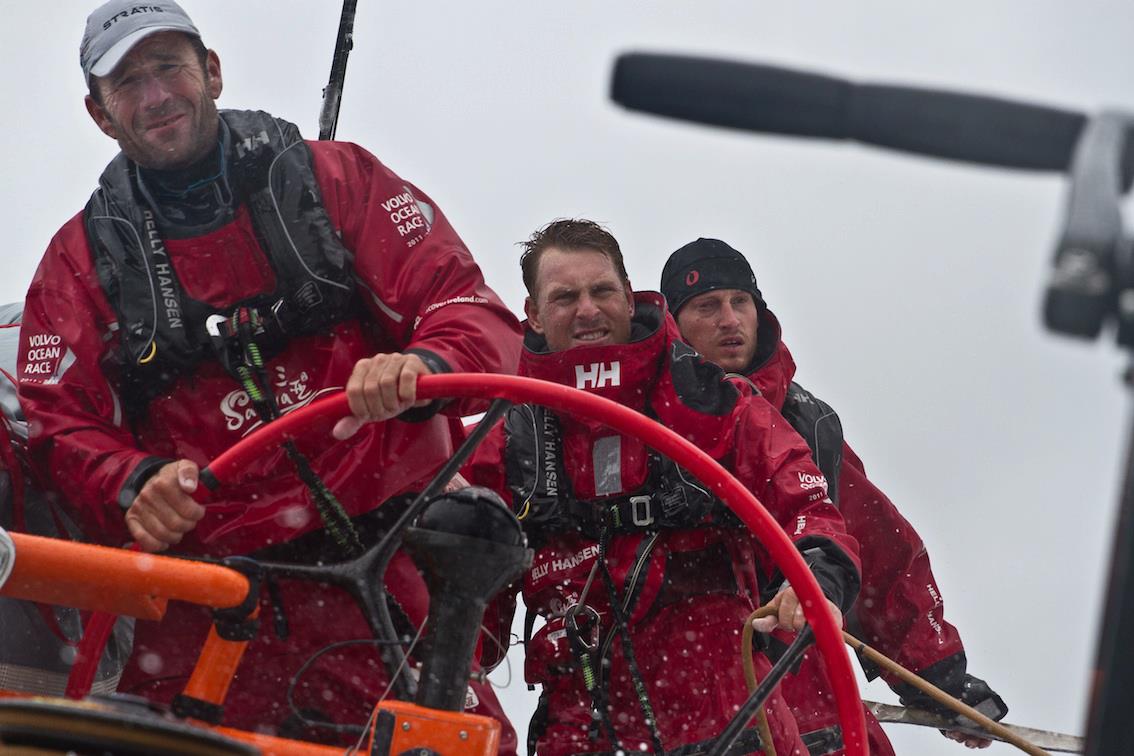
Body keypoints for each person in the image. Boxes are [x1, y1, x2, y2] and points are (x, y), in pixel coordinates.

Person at [16, 0, 522, 748]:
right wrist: (131, 482)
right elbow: (55, 425)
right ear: (100, 114)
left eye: (168, 67)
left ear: (211, 71)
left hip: (387, 581)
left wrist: (421, 367)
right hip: (206, 606)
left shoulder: (340, 180)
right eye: (127, 82)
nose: (154, 95)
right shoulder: (76, 262)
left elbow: (467, 307)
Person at [468, 218, 862, 756]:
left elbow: (804, 497)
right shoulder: (506, 440)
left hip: (729, 719)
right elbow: (462, 613)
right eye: (565, 297)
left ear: (630, 299)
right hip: (578, 727)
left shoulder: (712, 401)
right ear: (532, 314)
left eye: (602, 291)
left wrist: (813, 578)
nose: (587, 309)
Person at [661, 238, 1009, 754]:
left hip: (809, 693)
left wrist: (938, 680)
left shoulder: (807, 421)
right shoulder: (644, 418)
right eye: (707, 307)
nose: (729, 319)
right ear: (674, 323)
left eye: (741, 302)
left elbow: (881, 552)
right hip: (684, 689)